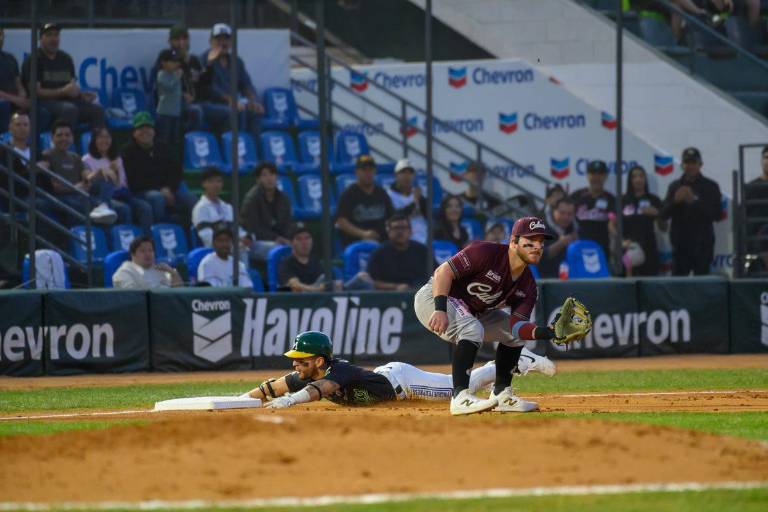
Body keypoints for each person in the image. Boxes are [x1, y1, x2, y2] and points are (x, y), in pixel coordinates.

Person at [413, 216, 564, 416]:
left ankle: (502, 394)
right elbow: (443, 272)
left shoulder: (528, 286)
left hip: (473, 310)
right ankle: (460, 397)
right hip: (434, 297)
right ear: (513, 242)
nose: (537, 246)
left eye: (541, 241)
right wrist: (440, 308)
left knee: (513, 335)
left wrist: (549, 332)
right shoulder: (485, 252)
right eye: (531, 240)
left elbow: (517, 327)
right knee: (472, 328)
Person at [240, 331, 556, 408]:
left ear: (319, 361)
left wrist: (290, 401)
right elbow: (273, 386)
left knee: (460, 387)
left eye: (302, 359)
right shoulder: (308, 374)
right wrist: (240, 400)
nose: (295, 364)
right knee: (461, 385)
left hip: (403, 382)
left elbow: (321, 390)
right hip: (389, 375)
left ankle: (514, 361)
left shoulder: (339, 371)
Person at [21, 23, 104, 131]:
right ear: (40, 39)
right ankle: (64, 140)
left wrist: (81, 94)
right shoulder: (33, 60)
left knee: (97, 110)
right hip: (42, 103)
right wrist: (62, 92)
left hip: (67, 101)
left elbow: (71, 87)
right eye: (49, 35)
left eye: (56, 35)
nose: (53, 39)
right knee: (69, 110)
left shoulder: (66, 59)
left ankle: (96, 140)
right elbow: (35, 92)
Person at [38, 120, 123, 225]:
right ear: (52, 137)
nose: (64, 138)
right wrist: (74, 188)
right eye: (59, 135)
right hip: (60, 197)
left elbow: (87, 175)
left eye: (67, 135)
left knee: (107, 183)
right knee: (84, 205)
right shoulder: (46, 155)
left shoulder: (75, 157)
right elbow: (53, 186)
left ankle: (104, 211)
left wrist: (100, 172)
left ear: (72, 138)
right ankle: (99, 214)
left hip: (78, 195)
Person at [122, 111, 197, 227]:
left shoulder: (163, 147)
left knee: (190, 198)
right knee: (157, 197)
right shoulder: (127, 152)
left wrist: (169, 188)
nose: (145, 132)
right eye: (140, 129)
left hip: (168, 188)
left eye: (148, 128)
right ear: (134, 133)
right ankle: (161, 229)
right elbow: (133, 181)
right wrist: (160, 189)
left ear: (154, 131)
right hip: (142, 191)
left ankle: (197, 231)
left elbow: (176, 172)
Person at [660, 147, 722, 276]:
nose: (690, 166)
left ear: (700, 164)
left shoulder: (711, 186)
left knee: (702, 285)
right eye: (687, 162)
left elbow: (717, 215)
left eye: (694, 162)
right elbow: (663, 215)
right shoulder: (674, 186)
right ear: (682, 165)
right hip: (680, 247)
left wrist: (694, 201)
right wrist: (675, 202)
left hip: (703, 246)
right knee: (679, 285)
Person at [198, 23, 264, 139]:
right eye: (218, 39)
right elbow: (208, 88)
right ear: (211, 41)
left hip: (233, 103)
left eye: (226, 39)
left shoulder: (236, 61)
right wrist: (230, 100)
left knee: (254, 111)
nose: (223, 43)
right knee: (233, 112)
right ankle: (233, 148)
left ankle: (253, 149)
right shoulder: (203, 60)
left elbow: (246, 85)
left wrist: (253, 101)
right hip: (209, 104)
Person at [278, 224, 373, 292]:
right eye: (299, 239)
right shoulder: (287, 263)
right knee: (325, 279)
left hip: (324, 298)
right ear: (291, 243)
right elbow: (295, 286)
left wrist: (334, 285)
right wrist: (318, 289)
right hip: (304, 301)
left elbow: (325, 283)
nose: (304, 242)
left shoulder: (313, 260)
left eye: (307, 238)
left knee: (362, 277)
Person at [81, 126, 143, 230]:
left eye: (107, 137)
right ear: (94, 140)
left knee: (145, 207)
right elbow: (89, 180)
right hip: (100, 195)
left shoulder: (117, 159)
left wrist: (116, 172)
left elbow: (121, 184)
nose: (104, 140)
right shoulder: (86, 159)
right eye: (100, 137)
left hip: (119, 194)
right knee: (124, 209)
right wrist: (105, 172)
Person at [153, 25, 204, 133]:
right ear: (170, 41)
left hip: (198, 101)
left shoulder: (195, 60)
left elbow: (204, 83)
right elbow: (160, 86)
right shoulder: (166, 58)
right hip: (174, 103)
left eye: (184, 39)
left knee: (228, 111)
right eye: (177, 39)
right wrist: (182, 95)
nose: (181, 44)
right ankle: (189, 141)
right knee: (196, 111)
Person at [335, 155, 394, 247]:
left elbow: (391, 217)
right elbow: (341, 221)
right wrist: (362, 233)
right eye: (364, 170)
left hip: (382, 243)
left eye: (370, 170)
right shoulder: (349, 194)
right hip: (358, 244)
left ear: (375, 172)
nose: (368, 173)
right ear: (356, 172)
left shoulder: (381, 193)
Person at [240, 161, 293, 260]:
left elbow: (287, 224)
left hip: (279, 240)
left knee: (300, 245)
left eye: (272, 174)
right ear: (258, 179)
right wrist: (276, 238)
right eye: (264, 175)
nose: (269, 178)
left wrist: (287, 239)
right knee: (277, 249)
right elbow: (253, 228)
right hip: (255, 241)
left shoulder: (283, 198)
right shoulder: (252, 199)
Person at [367, 214, 433, 291]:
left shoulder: (422, 250)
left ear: (410, 231)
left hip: (421, 292)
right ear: (388, 231)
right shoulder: (379, 253)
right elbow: (372, 282)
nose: (400, 231)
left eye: (404, 228)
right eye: (396, 228)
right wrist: (395, 287)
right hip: (389, 294)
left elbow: (435, 274)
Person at [621, 165, 666, 277]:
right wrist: (621, 241)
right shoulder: (622, 200)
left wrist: (657, 214)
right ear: (630, 180)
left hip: (649, 249)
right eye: (634, 177)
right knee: (627, 284)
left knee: (649, 284)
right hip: (628, 247)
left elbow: (664, 228)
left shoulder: (654, 199)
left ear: (645, 179)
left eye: (641, 176)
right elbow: (613, 225)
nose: (638, 179)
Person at [571, 159, 616, 265]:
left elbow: (613, 222)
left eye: (600, 174)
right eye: (593, 174)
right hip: (579, 248)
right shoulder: (576, 196)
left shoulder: (611, 199)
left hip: (602, 249)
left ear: (605, 176)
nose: (596, 177)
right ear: (587, 175)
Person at [192, 166, 250, 248]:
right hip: (214, 250)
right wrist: (233, 244)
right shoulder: (200, 208)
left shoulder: (228, 207)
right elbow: (207, 237)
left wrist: (246, 238)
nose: (216, 185)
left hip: (235, 246)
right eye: (211, 181)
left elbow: (237, 230)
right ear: (203, 184)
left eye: (219, 181)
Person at [112, 235, 183, 289]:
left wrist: (172, 272)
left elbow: (179, 293)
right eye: (142, 251)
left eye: (150, 250)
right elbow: (133, 297)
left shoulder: (160, 270)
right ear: (133, 254)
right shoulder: (124, 272)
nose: (148, 254)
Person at [386, 159, 428, 243]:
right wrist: (414, 203)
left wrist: (422, 200)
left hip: (424, 238)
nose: (407, 176)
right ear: (396, 175)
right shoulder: (388, 195)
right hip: (402, 240)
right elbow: (395, 217)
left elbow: (428, 215)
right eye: (403, 172)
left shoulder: (418, 194)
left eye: (410, 173)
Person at [154, 49, 183, 162]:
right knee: (163, 139)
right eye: (173, 61)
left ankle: (173, 160)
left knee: (174, 139)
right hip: (165, 113)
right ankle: (161, 160)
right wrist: (177, 78)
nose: (176, 64)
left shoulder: (175, 74)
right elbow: (169, 87)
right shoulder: (161, 74)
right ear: (164, 63)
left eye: (177, 61)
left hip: (176, 112)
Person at [539, 197, 578, 279]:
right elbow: (541, 256)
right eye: (562, 213)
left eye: (569, 214)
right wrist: (561, 243)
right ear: (554, 211)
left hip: (573, 278)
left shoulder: (575, 229)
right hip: (547, 279)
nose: (565, 217)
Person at [744, 146, 768, 271]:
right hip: (756, 247)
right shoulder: (751, 188)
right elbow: (742, 220)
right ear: (761, 160)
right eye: (766, 157)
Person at [0, 28, 29, 132]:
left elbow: (18, 83)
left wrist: (22, 96)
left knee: (37, 108)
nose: (0, 39)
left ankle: (29, 141)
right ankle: (5, 139)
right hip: (4, 101)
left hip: (13, 99)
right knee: (4, 106)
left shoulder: (10, 58)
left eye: (1, 35)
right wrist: (13, 99)